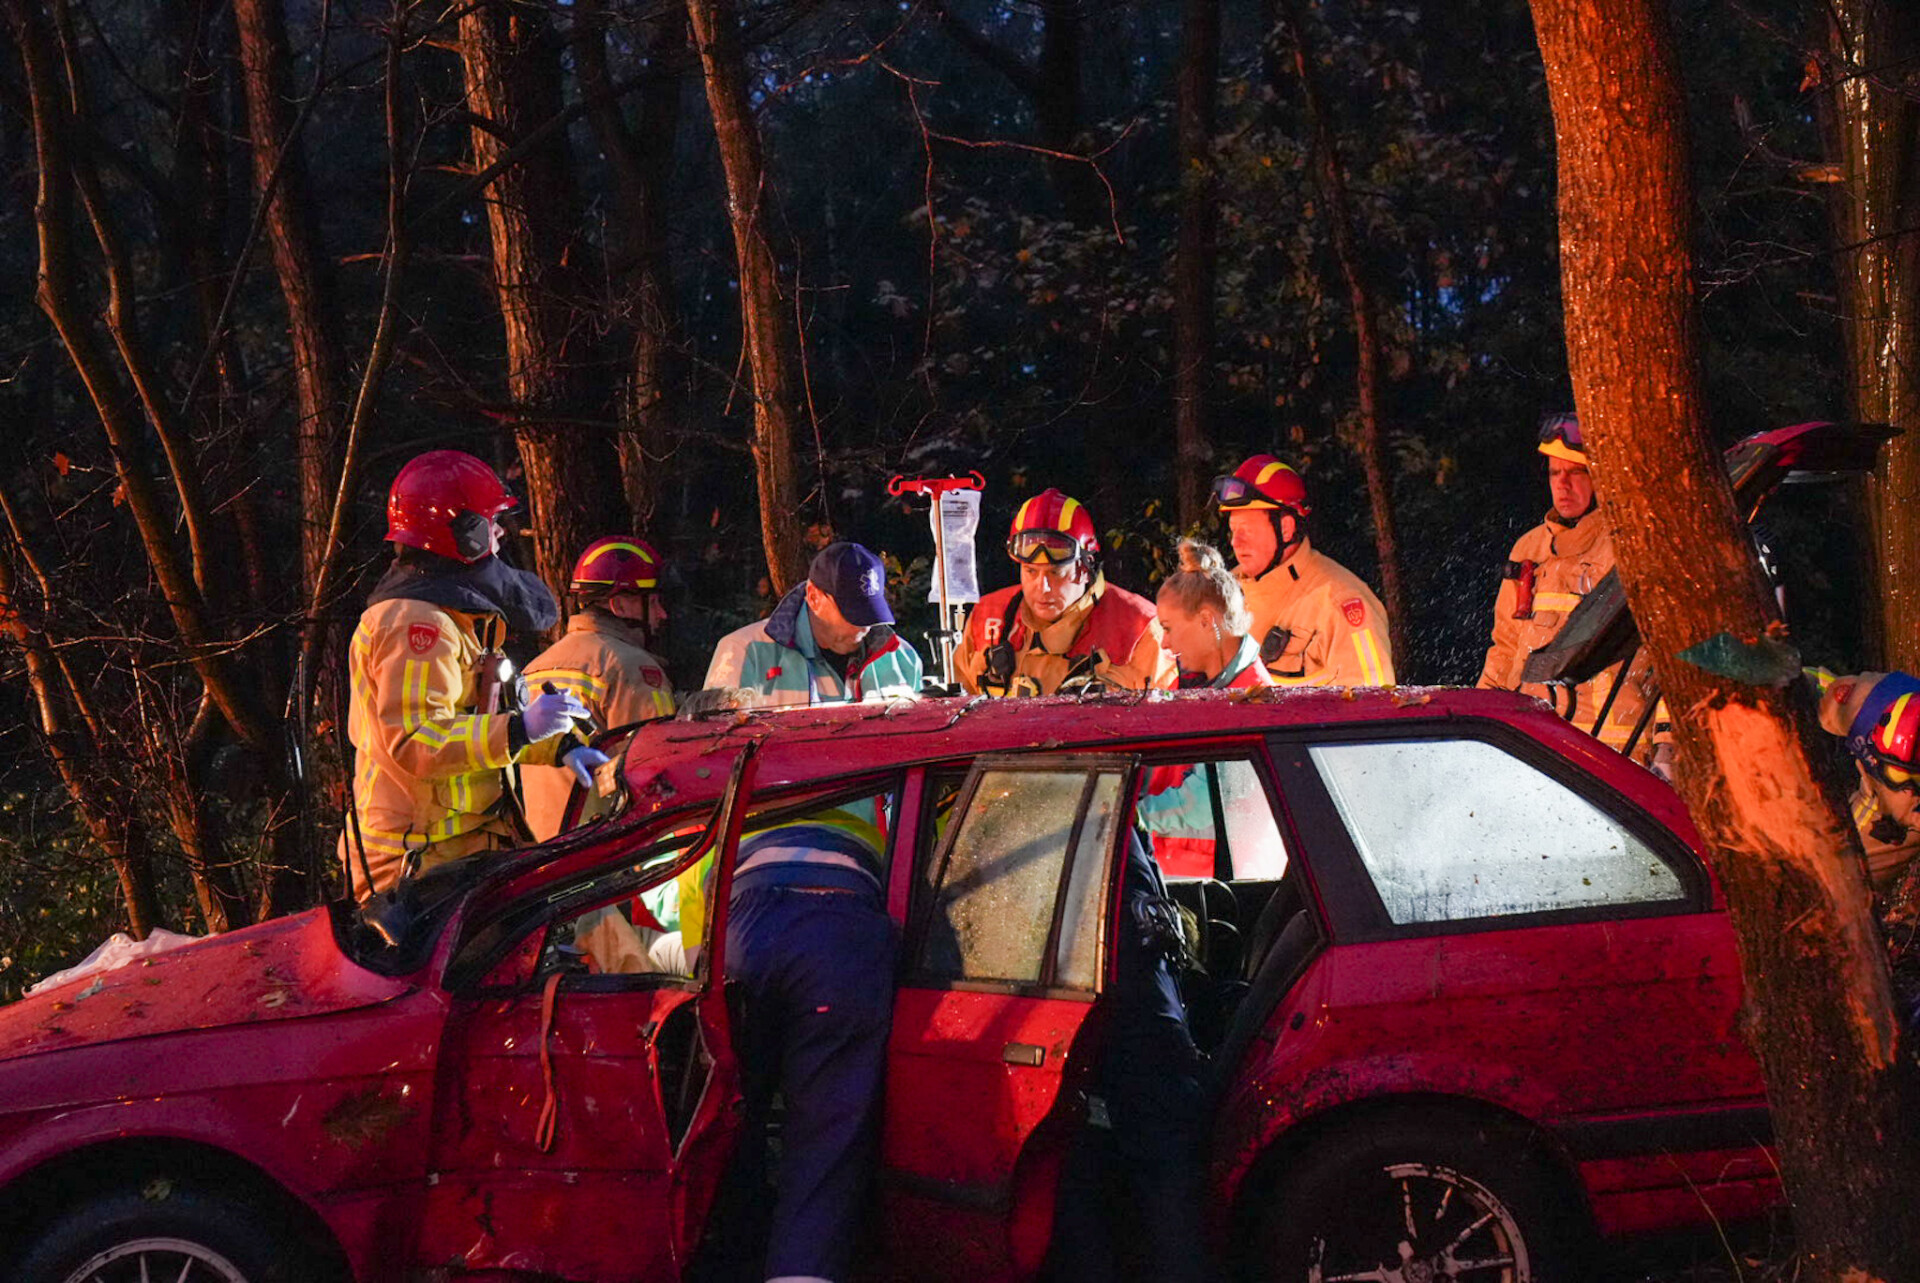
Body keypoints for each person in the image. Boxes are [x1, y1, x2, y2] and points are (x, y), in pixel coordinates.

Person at [340, 450, 606, 898]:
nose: (500, 530)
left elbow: (477, 723)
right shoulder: (416, 624)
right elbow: (417, 741)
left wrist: (552, 744)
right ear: (466, 535)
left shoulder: (453, 614)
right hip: (418, 866)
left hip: (460, 849)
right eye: (491, 520)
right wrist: (521, 729)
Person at [719, 805, 898, 1283]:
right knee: (824, 1145)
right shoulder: (876, 753)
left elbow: (702, 907)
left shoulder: (724, 763)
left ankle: (723, 1257)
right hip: (840, 926)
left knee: (722, 1122)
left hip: (742, 921)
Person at [1477, 414, 1669, 767]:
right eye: (1554, 473)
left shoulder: (1633, 549)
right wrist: (1477, 723)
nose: (1563, 485)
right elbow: (1504, 647)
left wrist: (1669, 747)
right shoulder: (1528, 550)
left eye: (1576, 472)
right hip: (1538, 752)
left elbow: (1671, 658)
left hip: (1617, 760)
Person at [522, 535, 677, 842]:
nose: (663, 614)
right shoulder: (632, 668)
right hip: (606, 854)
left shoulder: (534, 668)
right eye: (654, 602)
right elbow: (660, 769)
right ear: (619, 605)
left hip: (541, 855)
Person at [952, 488, 1175, 696]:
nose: (1042, 587)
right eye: (1030, 571)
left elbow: (1165, 721)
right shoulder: (988, 617)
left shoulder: (1140, 628)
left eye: (1056, 573)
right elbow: (955, 714)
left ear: (1086, 569)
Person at [1213, 455, 1393, 687]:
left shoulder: (1341, 601)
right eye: (1233, 530)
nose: (1236, 542)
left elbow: (1373, 709)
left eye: (1247, 530)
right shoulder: (1221, 595)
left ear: (1286, 529)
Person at [705, 541, 923, 707]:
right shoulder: (743, 653)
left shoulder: (902, 657)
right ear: (814, 597)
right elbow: (716, 747)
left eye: (871, 613)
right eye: (852, 613)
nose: (864, 628)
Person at [1815, 670, 1920, 893]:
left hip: (1889, 807)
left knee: (1847, 876)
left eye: (1898, 777)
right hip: (1876, 704)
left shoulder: (1904, 799)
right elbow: (1816, 687)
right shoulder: (1868, 702)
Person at [1155, 538, 1278, 690]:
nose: (1164, 644)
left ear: (1205, 621)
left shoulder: (1256, 701)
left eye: (1168, 628)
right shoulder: (1187, 682)